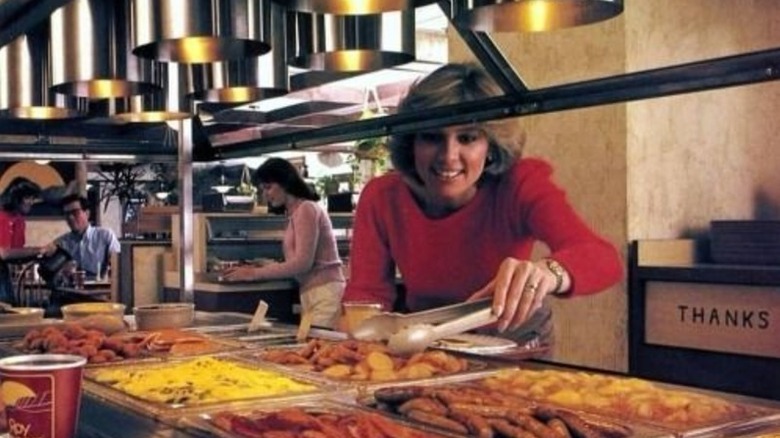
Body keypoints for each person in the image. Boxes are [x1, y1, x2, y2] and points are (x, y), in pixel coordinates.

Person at [343, 63, 623, 349]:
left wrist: (548, 272)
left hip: (510, 340)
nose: (449, 156)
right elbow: (366, 294)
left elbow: (602, 258)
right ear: (411, 142)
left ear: (490, 145)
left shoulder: (520, 183)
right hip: (424, 338)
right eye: (431, 137)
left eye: (467, 138)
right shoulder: (382, 196)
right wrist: (360, 346)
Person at [222, 158, 346, 329]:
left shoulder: (306, 209)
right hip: (315, 292)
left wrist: (253, 272)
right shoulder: (295, 213)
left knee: (318, 349)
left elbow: (302, 263)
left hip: (324, 293)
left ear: (285, 183)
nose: (265, 194)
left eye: (268, 187)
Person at [49, 194, 120, 280]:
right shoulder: (61, 243)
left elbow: (118, 266)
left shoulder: (105, 236)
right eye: (67, 214)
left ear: (87, 213)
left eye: (75, 212)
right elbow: (53, 277)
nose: (70, 217)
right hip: (71, 291)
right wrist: (62, 273)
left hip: (99, 290)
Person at [0, 178, 45, 304]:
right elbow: (4, 253)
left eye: (32, 198)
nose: (31, 202)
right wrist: (39, 250)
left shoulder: (19, 220)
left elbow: (16, 254)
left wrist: (41, 255)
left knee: (9, 307)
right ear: (16, 198)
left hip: (4, 272)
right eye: (28, 198)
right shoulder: (2, 216)